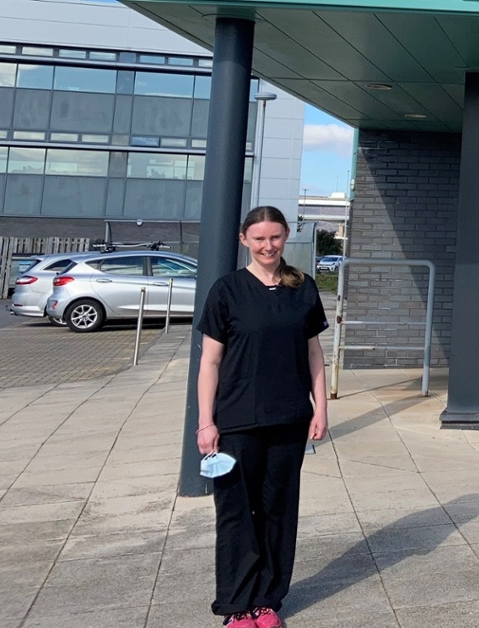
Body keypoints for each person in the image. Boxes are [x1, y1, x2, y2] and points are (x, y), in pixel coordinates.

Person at [196, 206, 329, 628]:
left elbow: (314, 354)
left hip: (289, 419)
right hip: (237, 421)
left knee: (278, 510)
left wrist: (320, 408)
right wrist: (205, 421)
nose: (268, 246)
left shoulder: (303, 288)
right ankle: (236, 605)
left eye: (275, 237)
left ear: (286, 237)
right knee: (237, 513)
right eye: (259, 239)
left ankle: (267, 601)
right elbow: (210, 363)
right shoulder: (227, 291)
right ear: (244, 241)